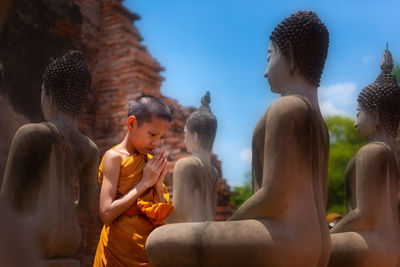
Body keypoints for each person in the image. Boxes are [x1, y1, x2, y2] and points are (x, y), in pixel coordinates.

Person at [146, 10, 331, 266]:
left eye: (270, 57)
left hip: (286, 241)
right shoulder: (319, 123)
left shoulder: (287, 107)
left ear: (289, 53)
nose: (266, 72)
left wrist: (231, 227)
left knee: (158, 241)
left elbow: (274, 197)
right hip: (319, 245)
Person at [1, 50, 99, 260]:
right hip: (70, 240)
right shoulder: (90, 149)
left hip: (31, 234)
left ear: (49, 96)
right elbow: (85, 205)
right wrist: (62, 210)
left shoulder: (32, 134)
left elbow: (8, 200)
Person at [329, 48, 400, 267]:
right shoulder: (394, 153)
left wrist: (325, 238)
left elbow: (364, 215)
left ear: (376, 114)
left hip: (374, 246)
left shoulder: (373, 151)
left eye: (358, 112)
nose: (355, 122)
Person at [93, 95, 174, 267]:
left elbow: (159, 217)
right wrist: (144, 183)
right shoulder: (114, 158)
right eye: (152, 134)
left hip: (148, 250)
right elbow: (106, 214)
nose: (156, 142)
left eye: (161, 137)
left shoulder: (150, 162)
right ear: (131, 123)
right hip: (116, 250)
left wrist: (158, 184)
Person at [167, 91, 219, 223]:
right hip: (210, 235)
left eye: (186, 135)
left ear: (194, 136)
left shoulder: (186, 164)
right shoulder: (214, 172)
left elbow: (180, 215)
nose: (184, 141)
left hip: (190, 237)